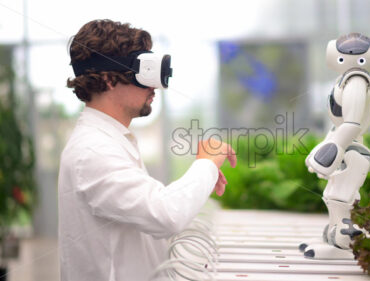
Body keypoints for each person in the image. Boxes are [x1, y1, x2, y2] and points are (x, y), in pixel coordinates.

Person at [58, 19, 236, 281]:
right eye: (144, 71)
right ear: (108, 79)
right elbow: (166, 215)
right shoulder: (93, 151)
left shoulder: (110, 140)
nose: (155, 85)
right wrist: (207, 164)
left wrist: (198, 183)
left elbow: (148, 208)